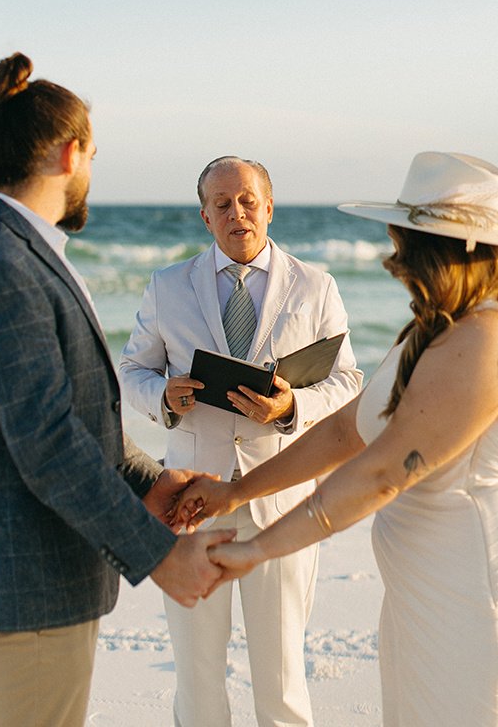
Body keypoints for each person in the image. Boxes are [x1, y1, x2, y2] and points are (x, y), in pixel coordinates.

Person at [179, 151, 498, 727]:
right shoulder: (436, 328)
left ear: (465, 248)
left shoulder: (489, 338)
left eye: (414, 237)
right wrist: (236, 495)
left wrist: (258, 548)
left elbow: (382, 471)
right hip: (422, 592)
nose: (395, 252)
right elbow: (341, 430)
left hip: (477, 591)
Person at [0, 53, 234, 727]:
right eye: (93, 154)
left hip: (36, 573)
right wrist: (158, 557)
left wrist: (145, 478)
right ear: (71, 153)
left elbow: (69, 409)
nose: (92, 169)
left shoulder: (7, 246)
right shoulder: (1, 261)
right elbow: (47, 443)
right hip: (22, 581)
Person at [118, 155, 362, 727]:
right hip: (193, 501)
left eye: (248, 201)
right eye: (222, 204)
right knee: (198, 679)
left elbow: (349, 382)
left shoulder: (316, 285)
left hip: (282, 504)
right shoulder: (167, 286)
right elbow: (131, 372)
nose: (237, 213)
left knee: (281, 680)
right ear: (205, 216)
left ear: (269, 207)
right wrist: (164, 398)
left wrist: (293, 406)